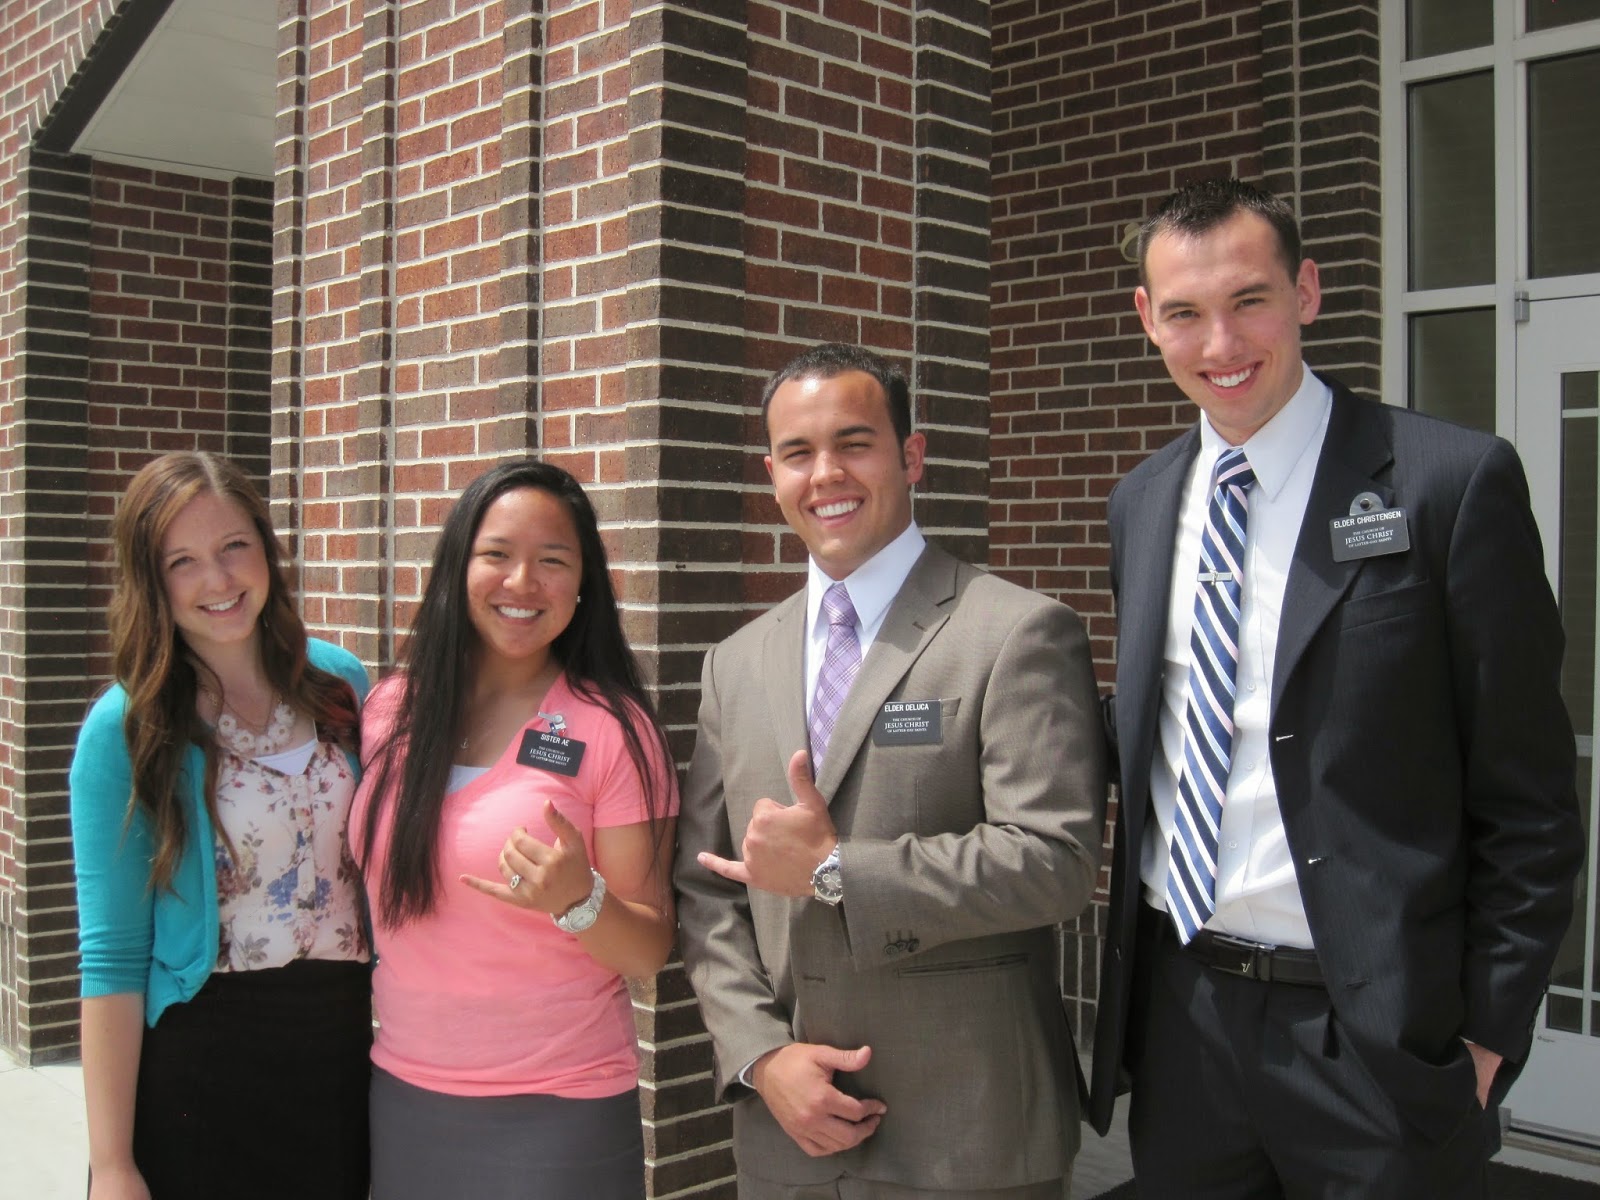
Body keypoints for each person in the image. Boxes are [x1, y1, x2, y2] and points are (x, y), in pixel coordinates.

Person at [1088, 178, 1583, 1197]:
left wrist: (1488, 1033)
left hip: (1378, 1047)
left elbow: (1529, 797)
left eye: (1249, 300)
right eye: (1184, 313)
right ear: (1146, 319)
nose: (1220, 342)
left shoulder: (1448, 483)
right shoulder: (1140, 503)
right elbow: (1153, 734)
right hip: (1185, 1022)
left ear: (1306, 291)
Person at [675, 342, 1107, 1199]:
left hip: (969, 1133)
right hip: (788, 1138)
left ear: (911, 455)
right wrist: (760, 1056)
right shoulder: (735, 662)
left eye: (854, 443)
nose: (826, 474)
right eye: (798, 453)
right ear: (771, 475)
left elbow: (1055, 862)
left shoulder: (1015, 632)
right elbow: (706, 886)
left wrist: (837, 871)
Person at [351, 459, 677, 1200]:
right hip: (403, 1092)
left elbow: (648, 949)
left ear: (584, 581)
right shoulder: (391, 709)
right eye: (496, 554)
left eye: (553, 561)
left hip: (558, 1110)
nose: (522, 582)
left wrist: (580, 900)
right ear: (456, 566)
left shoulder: (612, 729)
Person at [69, 451, 373, 1200]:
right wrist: (113, 1165)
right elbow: (111, 959)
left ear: (266, 549)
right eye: (183, 561)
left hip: (342, 1052)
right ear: (150, 580)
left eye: (234, 545)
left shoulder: (341, 684)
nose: (218, 579)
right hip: (204, 1068)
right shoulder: (126, 729)